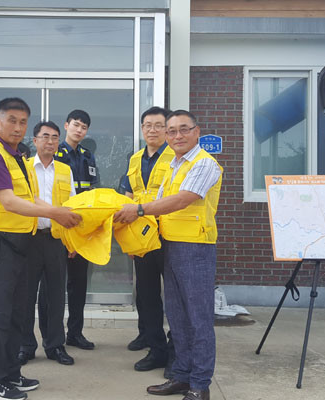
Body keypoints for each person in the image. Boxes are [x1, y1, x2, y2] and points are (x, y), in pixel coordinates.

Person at [0, 98, 81, 400]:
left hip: (19, 242)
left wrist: (59, 213)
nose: (18, 127)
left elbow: (30, 198)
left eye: (23, 122)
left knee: (16, 312)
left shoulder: (16, 156)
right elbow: (9, 202)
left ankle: (11, 374)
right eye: (12, 120)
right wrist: (55, 213)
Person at [114, 110, 223, 400]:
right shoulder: (174, 165)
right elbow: (157, 201)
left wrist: (138, 210)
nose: (177, 136)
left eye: (183, 129)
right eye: (172, 131)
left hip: (196, 247)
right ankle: (182, 376)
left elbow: (182, 199)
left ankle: (200, 384)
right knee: (177, 316)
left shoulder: (204, 163)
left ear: (197, 132)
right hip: (170, 245)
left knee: (198, 319)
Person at [17, 121, 76, 367]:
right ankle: (25, 346)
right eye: (45, 137)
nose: (50, 142)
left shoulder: (65, 170)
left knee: (55, 295)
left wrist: (72, 242)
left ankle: (55, 345)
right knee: (25, 295)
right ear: (35, 140)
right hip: (29, 239)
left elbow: (72, 206)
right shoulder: (23, 167)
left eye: (55, 137)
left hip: (56, 239)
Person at [121, 106, 174, 372]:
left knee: (175, 296)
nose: (152, 130)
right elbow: (128, 195)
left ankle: (176, 350)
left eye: (158, 125)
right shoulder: (135, 159)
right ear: (142, 129)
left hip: (170, 235)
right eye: (147, 125)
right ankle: (156, 349)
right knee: (147, 294)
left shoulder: (176, 157)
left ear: (167, 129)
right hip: (142, 236)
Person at [48, 109, 98, 350]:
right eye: (76, 125)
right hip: (57, 229)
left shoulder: (88, 156)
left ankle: (75, 333)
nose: (79, 130)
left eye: (84, 127)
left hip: (81, 229)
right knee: (54, 287)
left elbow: (92, 193)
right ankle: (53, 338)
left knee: (78, 285)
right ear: (66, 125)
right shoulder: (55, 154)